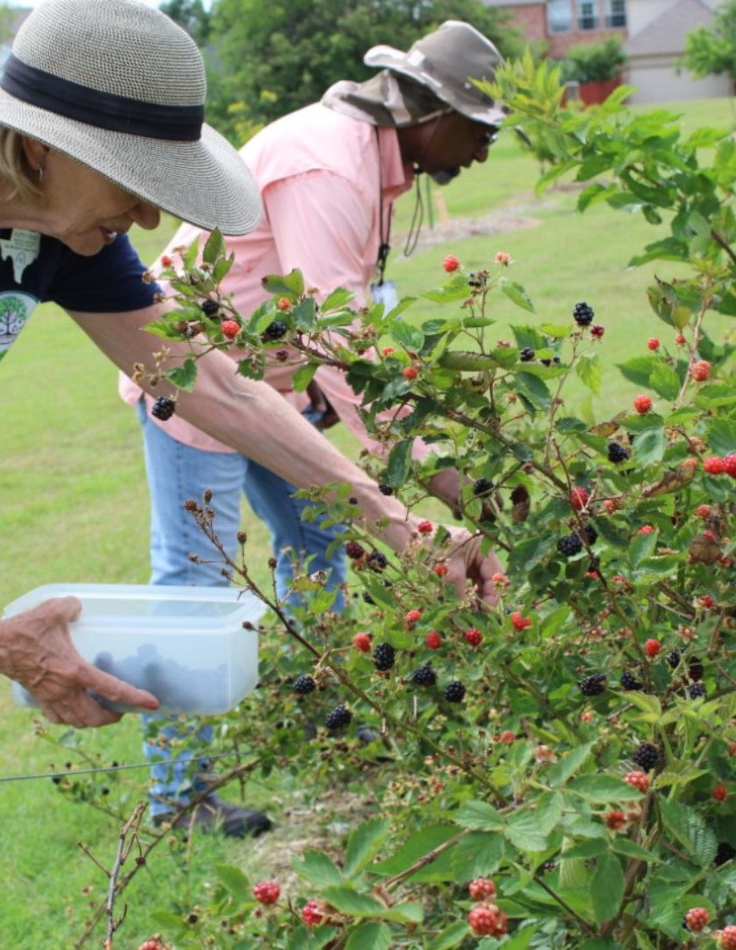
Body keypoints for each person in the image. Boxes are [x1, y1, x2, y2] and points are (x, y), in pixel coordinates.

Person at [0, 0, 500, 943]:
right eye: (135, 178)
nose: (150, 215)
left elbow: (212, 384)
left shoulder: (61, 227)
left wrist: (399, 522)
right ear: (39, 149)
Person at [119, 21, 506, 837]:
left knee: (314, 539)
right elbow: (340, 339)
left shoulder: (368, 159)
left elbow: (335, 327)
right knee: (196, 580)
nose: (481, 152)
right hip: (196, 383)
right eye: (479, 131)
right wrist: (434, 468)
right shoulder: (330, 164)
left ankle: (324, 718)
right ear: (434, 113)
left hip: (268, 391)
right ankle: (178, 797)